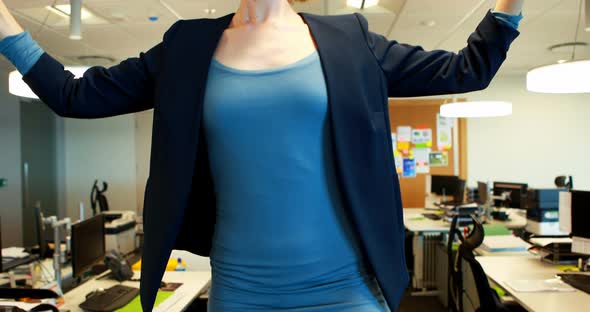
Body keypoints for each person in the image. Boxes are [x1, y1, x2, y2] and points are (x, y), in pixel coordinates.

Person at [0, 0, 524, 311]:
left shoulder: (349, 39)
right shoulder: (186, 47)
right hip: (242, 291)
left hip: (345, 291)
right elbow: (74, 96)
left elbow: (467, 70)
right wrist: (8, 29)